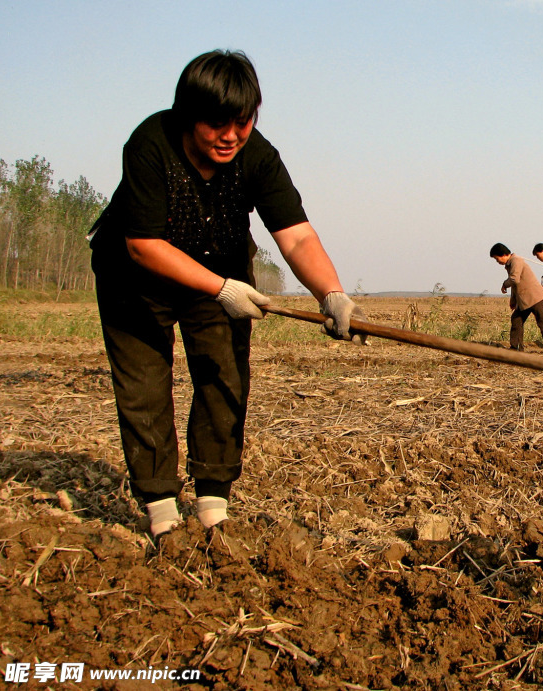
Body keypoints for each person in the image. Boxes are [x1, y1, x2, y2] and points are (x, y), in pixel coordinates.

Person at [89, 50, 367, 540]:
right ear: (187, 115)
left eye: (242, 122)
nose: (231, 136)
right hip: (134, 274)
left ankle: (213, 503)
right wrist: (220, 288)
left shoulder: (257, 156)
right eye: (217, 123)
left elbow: (297, 236)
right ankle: (161, 510)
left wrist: (331, 294)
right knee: (144, 384)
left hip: (219, 269)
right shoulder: (150, 145)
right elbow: (143, 245)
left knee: (224, 375)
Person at [490, 243, 543, 353]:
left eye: (496, 258)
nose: (497, 261)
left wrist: (504, 284)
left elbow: (514, 279)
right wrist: (513, 301)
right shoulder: (511, 263)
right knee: (516, 320)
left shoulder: (516, 260)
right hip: (524, 300)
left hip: (535, 297)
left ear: (503, 255)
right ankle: (516, 349)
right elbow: (515, 285)